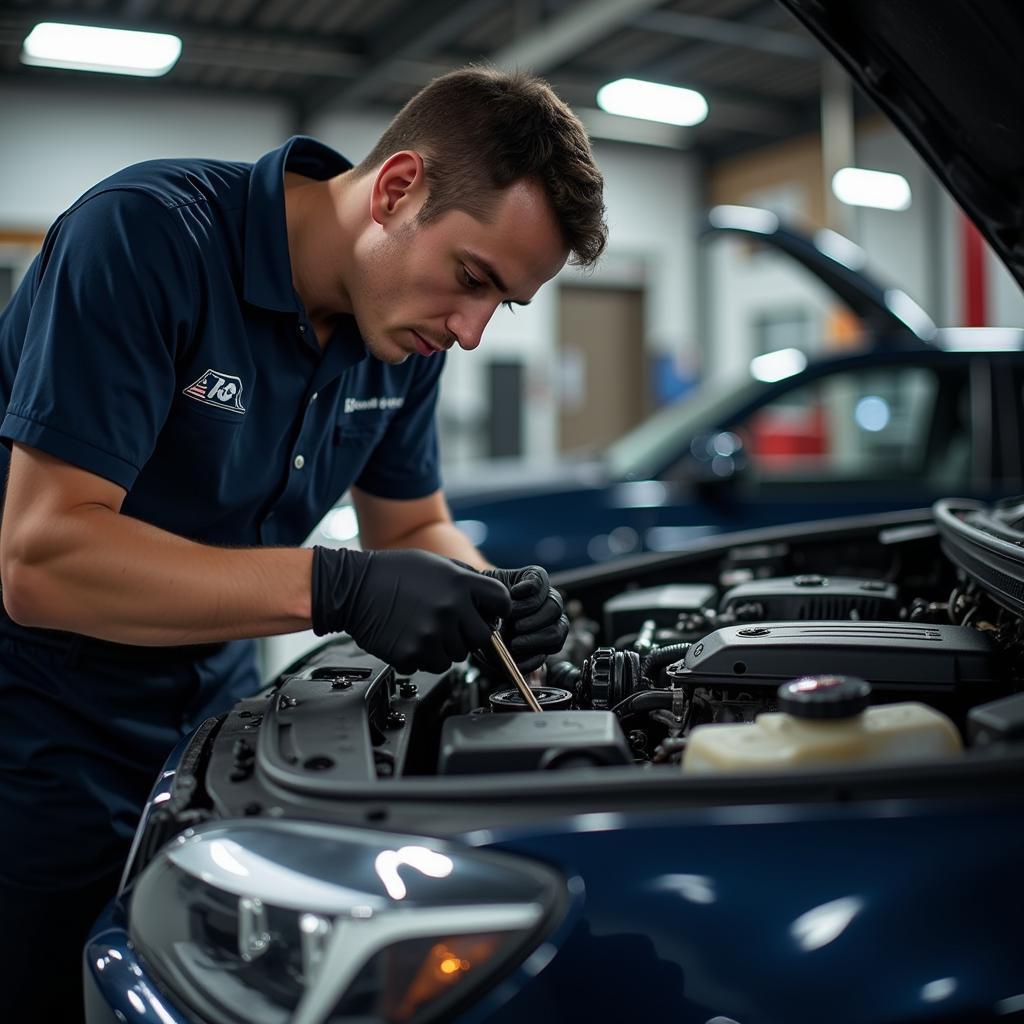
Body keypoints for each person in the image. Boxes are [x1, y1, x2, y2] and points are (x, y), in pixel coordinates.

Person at [0, 66, 607, 1017]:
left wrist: (494, 599)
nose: (474, 330)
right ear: (398, 187)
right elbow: (44, 563)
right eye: (473, 280)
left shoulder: (399, 329)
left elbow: (411, 523)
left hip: (214, 714)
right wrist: (339, 589)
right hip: (36, 723)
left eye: (504, 306)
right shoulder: (146, 237)